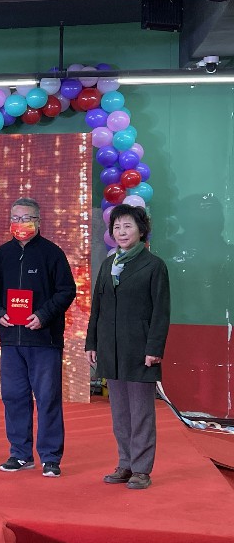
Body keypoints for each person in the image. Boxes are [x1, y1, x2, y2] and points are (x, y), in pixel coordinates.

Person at [0, 197, 76, 477]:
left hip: (44, 340)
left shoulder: (52, 253)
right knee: (14, 397)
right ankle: (20, 454)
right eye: (16, 218)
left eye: (26, 218)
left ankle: (50, 457)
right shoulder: (1, 255)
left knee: (48, 398)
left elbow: (66, 290)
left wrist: (43, 315)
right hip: (11, 340)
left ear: (38, 220)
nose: (20, 223)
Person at [86, 205, 170, 490]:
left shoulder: (154, 265)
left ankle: (142, 469)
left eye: (128, 226)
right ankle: (125, 463)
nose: (121, 232)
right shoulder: (108, 264)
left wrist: (154, 347)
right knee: (120, 412)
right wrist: (92, 343)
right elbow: (97, 307)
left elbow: (161, 311)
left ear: (141, 230)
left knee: (141, 411)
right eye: (117, 227)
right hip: (111, 348)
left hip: (141, 349)